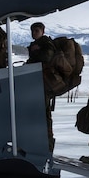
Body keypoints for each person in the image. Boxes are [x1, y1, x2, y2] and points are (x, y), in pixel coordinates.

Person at [26, 21, 58, 152]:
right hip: (36, 83)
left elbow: (47, 57)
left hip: (44, 83)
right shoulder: (36, 45)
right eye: (33, 31)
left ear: (43, 31)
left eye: (37, 31)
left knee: (44, 116)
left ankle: (48, 146)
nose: (34, 33)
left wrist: (37, 51)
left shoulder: (46, 44)